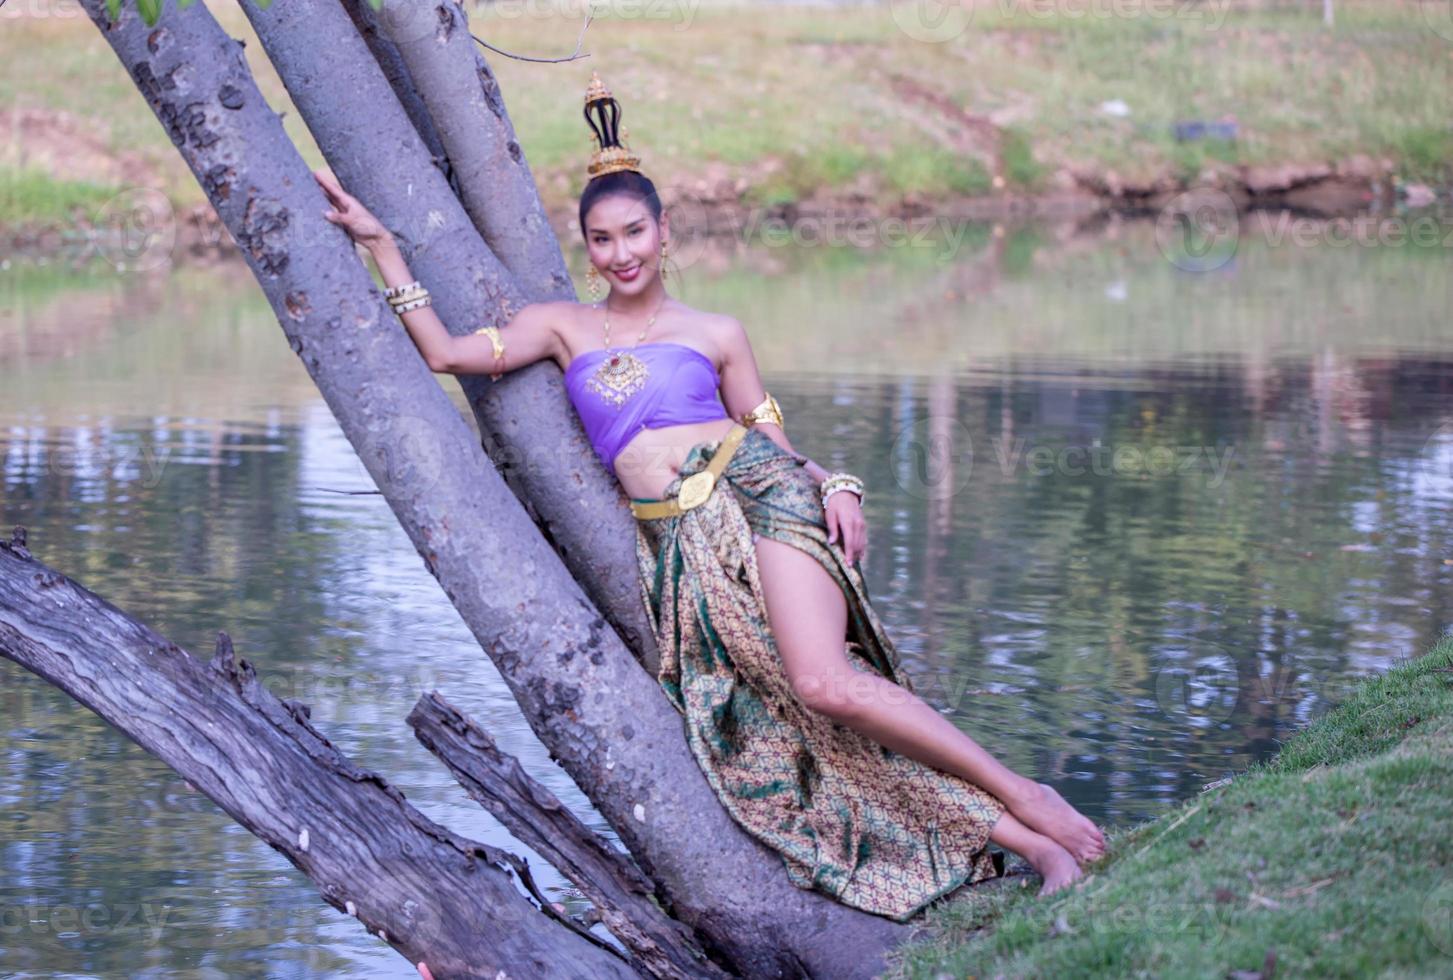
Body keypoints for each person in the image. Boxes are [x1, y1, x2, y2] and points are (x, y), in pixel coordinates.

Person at [313, 71, 1105, 922]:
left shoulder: (715, 333)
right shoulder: (560, 327)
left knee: (826, 683)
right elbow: (443, 353)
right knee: (795, 724)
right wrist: (382, 245)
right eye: (602, 240)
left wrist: (836, 484)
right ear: (585, 246)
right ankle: (1027, 843)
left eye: (634, 233)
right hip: (683, 548)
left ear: (663, 230)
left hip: (757, 498)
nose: (620, 254)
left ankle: (1028, 796)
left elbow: (771, 441)